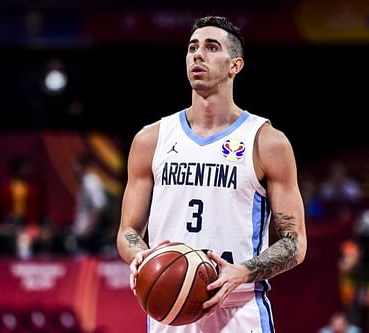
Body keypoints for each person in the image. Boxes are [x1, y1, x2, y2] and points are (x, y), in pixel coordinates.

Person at [116, 15, 307, 333]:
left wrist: (242, 272)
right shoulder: (151, 139)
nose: (198, 54)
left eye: (211, 47)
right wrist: (141, 256)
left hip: (239, 308)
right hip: (169, 310)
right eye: (192, 48)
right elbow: (127, 231)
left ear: (235, 65)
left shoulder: (267, 141)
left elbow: (294, 242)